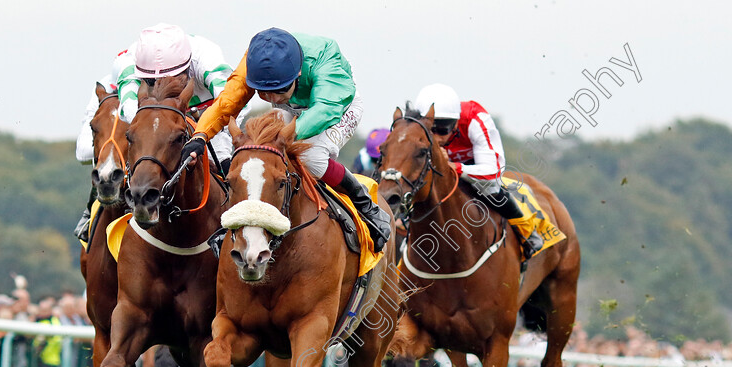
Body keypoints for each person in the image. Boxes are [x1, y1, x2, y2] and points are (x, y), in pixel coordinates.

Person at [182, 27, 391, 253]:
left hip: (336, 108)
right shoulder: (254, 60)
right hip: (294, 108)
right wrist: (200, 136)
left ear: (298, 74)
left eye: (279, 89)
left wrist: (282, 138)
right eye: (263, 92)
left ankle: (366, 206)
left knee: (311, 156)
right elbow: (225, 104)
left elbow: (324, 110)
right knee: (258, 152)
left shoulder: (326, 61)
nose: (272, 98)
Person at [74, 23, 240, 241]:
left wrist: (200, 134)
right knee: (99, 153)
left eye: (173, 76)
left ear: (187, 67)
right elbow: (131, 115)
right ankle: (92, 211)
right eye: (151, 80)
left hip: (205, 110)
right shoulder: (126, 64)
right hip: (142, 109)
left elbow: (236, 106)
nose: (162, 82)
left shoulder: (208, 59)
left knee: (226, 155)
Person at [413, 83, 543, 258]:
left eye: (443, 129)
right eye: (431, 130)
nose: (437, 138)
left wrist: (455, 167)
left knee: (490, 188)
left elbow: (493, 174)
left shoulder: (476, 119)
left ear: (457, 121)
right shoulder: (412, 125)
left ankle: (526, 232)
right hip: (438, 169)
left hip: (475, 165)